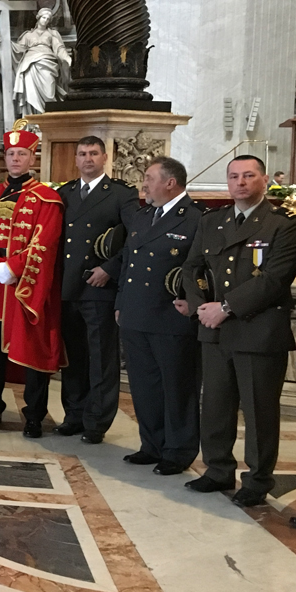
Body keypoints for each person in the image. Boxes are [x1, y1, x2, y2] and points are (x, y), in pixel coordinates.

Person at [181, 155, 296, 507]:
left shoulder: (282, 224)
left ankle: (257, 479)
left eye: (249, 176)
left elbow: (274, 279)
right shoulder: (212, 221)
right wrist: (200, 306)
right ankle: (217, 469)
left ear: (264, 180)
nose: (240, 182)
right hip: (215, 330)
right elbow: (192, 267)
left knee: (259, 411)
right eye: (234, 176)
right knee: (215, 405)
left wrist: (225, 308)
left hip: (258, 331)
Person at [104, 157, 202, 474]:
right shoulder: (143, 215)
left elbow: (201, 269)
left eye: (149, 178)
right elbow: (128, 262)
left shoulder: (195, 218)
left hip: (170, 316)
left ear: (170, 182)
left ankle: (178, 450)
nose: (143, 184)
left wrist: (193, 301)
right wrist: (121, 302)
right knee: (144, 385)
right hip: (136, 312)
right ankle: (152, 444)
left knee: (177, 387)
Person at [0, 122, 64, 437]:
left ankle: (34, 415)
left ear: (32, 157)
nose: (15, 159)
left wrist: (13, 266)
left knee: (30, 352)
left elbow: (45, 242)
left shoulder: (47, 198)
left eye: (22, 153)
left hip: (26, 285)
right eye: (11, 153)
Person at [56, 136, 138, 443]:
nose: (87, 159)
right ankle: (73, 415)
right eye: (82, 154)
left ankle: (96, 421)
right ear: (76, 159)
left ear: (105, 157)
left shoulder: (120, 194)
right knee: (73, 357)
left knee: (101, 358)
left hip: (99, 287)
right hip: (68, 286)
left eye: (93, 153)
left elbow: (135, 238)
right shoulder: (64, 193)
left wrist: (110, 269)